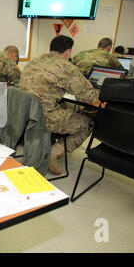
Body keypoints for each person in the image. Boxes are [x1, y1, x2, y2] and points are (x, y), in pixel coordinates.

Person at [17, 35, 99, 175]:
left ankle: (46, 148)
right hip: (44, 116)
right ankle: (53, 154)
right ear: (68, 52)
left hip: (23, 114)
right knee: (88, 123)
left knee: (64, 107)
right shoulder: (66, 67)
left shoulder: (35, 61)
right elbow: (88, 97)